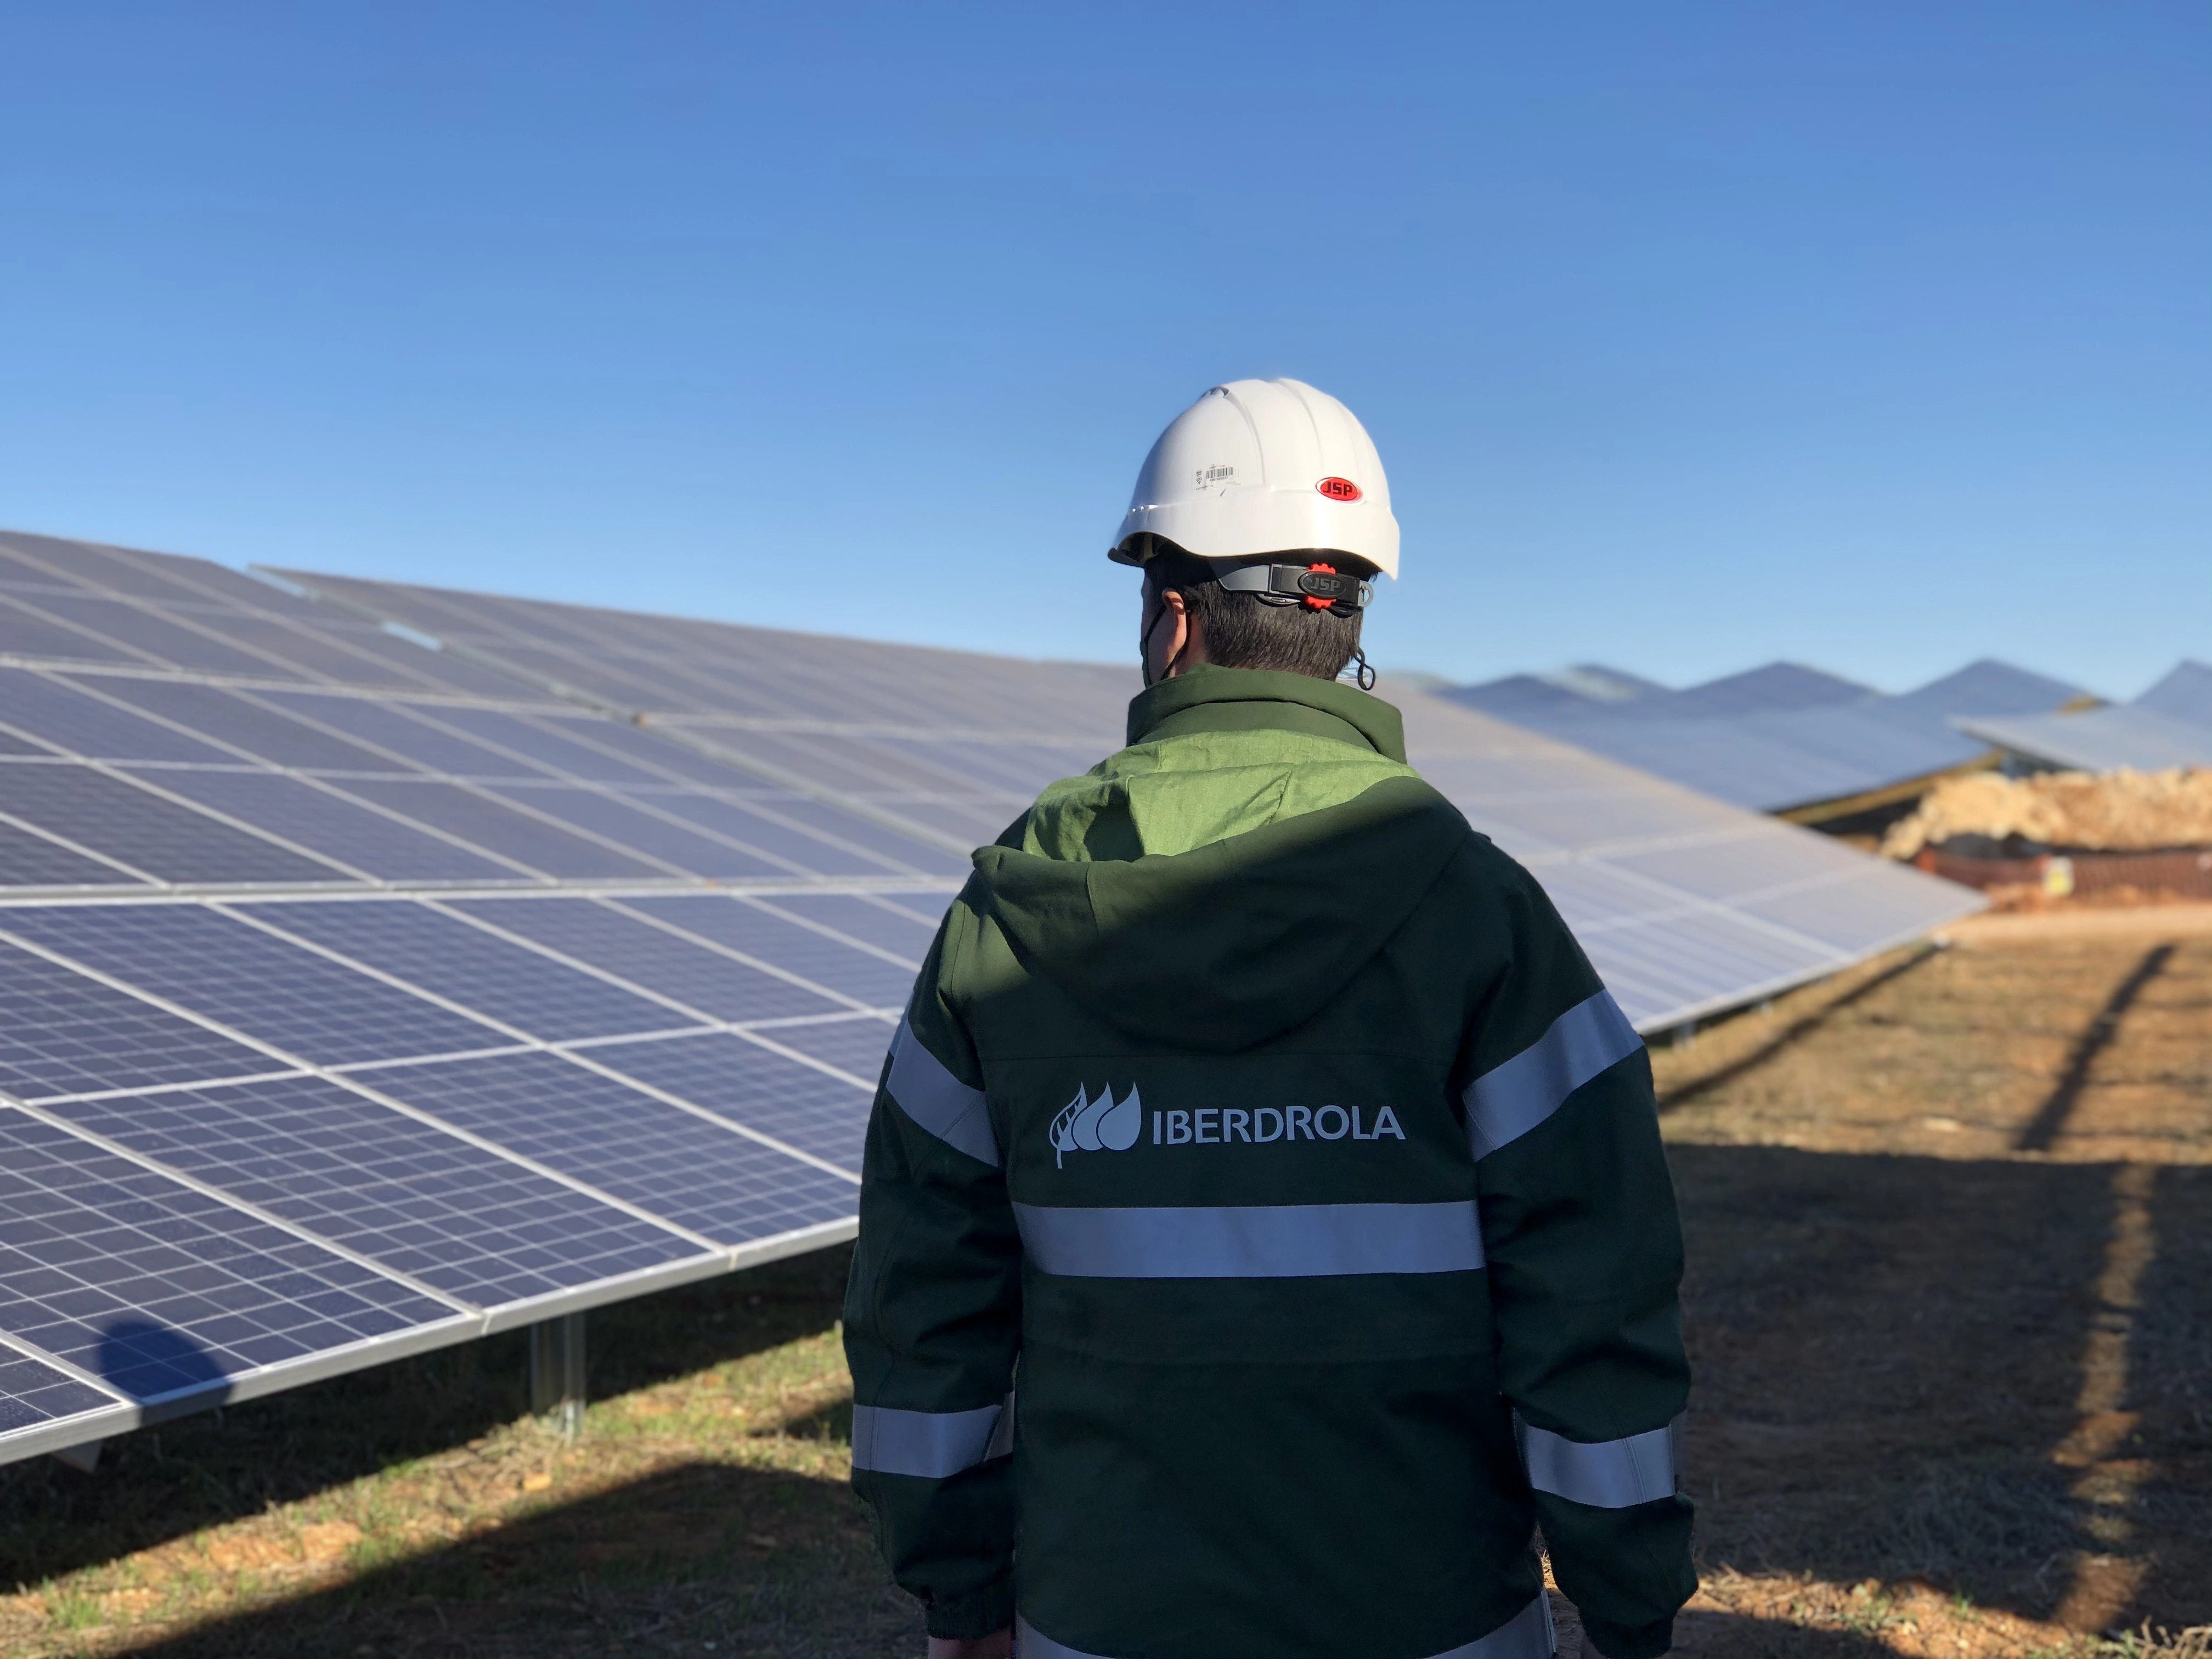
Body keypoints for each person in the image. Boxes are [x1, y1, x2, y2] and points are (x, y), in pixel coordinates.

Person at [844, 379, 1695, 1659]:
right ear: (1350, 617)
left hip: (1104, 1618)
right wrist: (1627, 1606)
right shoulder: (1478, 908)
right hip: (1435, 1618)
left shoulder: (1010, 913)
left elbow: (924, 1309)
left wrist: (961, 1597)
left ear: (1173, 618)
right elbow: (1593, 1289)